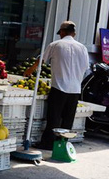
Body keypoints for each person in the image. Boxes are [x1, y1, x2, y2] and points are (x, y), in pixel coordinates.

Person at [27, 21, 89, 149]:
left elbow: (41, 61)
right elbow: (85, 67)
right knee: (67, 120)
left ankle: (48, 144)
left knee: (53, 119)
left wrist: (29, 71)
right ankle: (62, 145)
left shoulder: (55, 45)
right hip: (75, 89)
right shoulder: (82, 48)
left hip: (59, 87)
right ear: (74, 33)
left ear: (62, 32)